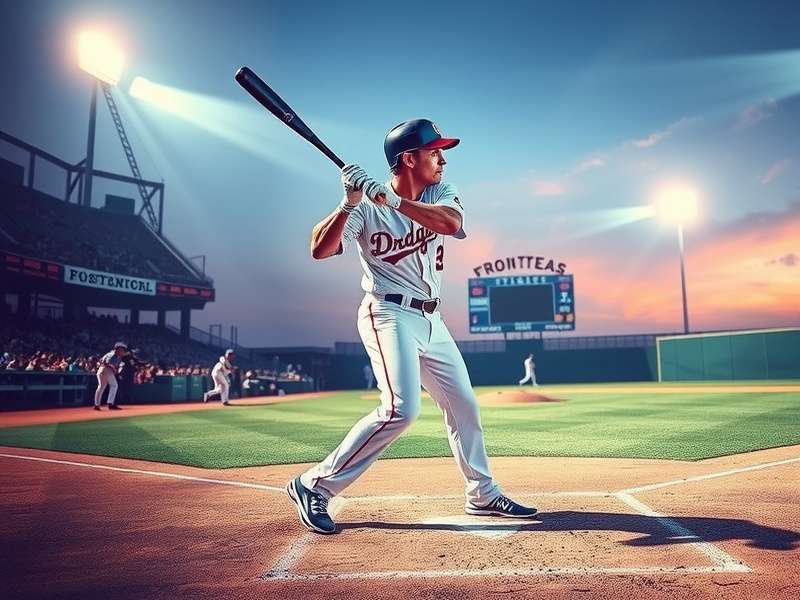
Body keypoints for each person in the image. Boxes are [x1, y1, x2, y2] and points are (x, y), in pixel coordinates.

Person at [286, 119, 537, 534]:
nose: (442, 159)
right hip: (388, 314)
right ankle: (314, 484)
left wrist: (394, 201)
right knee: (401, 410)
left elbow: (451, 224)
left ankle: (482, 493)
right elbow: (320, 249)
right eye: (433, 151)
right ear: (408, 158)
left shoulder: (440, 192)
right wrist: (349, 203)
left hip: (431, 319)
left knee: (464, 406)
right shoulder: (365, 207)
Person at [94, 342, 127, 410]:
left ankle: (97, 405)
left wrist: (116, 369)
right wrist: (113, 368)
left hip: (102, 371)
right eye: (122, 349)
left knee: (101, 387)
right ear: (117, 349)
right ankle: (110, 403)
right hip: (106, 370)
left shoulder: (118, 356)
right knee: (114, 385)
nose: (123, 351)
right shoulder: (112, 354)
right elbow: (106, 362)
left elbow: (102, 361)